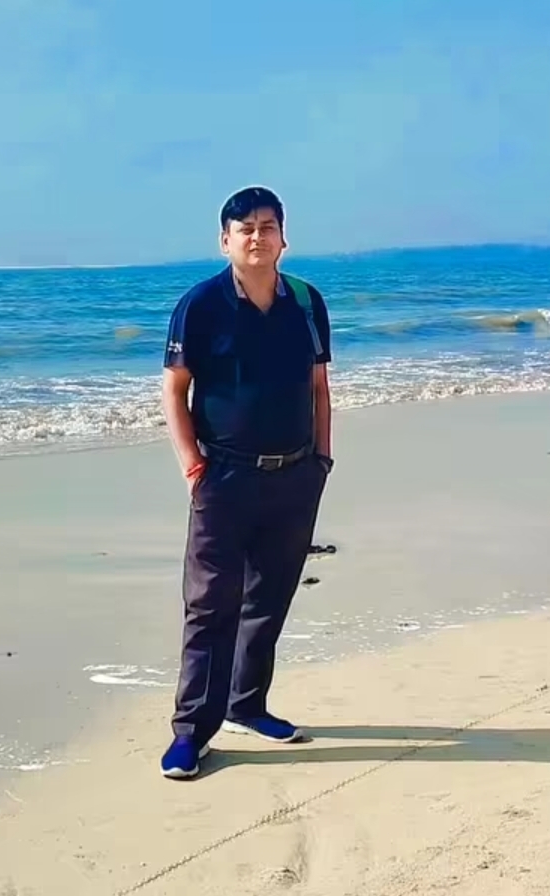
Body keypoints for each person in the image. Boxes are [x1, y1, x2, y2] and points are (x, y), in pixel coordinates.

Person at [159, 186, 334, 779]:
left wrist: (322, 460)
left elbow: (319, 387)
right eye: (245, 228)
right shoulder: (200, 305)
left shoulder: (306, 303)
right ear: (225, 240)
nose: (257, 237)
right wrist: (193, 467)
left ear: (283, 237)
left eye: (267, 226)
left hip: (295, 474)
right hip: (224, 476)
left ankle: (247, 705)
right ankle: (191, 732)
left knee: (270, 596)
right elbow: (174, 390)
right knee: (211, 605)